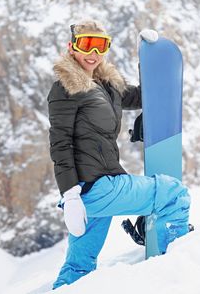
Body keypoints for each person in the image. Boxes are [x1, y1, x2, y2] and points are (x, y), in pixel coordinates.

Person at [47, 20, 190, 290]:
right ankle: (174, 269)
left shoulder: (106, 85)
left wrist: (146, 57)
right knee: (174, 194)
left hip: (94, 190)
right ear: (72, 46)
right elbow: (60, 144)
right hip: (95, 189)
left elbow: (142, 96)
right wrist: (70, 195)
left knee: (78, 268)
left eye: (100, 45)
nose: (93, 52)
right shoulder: (66, 88)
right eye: (86, 44)